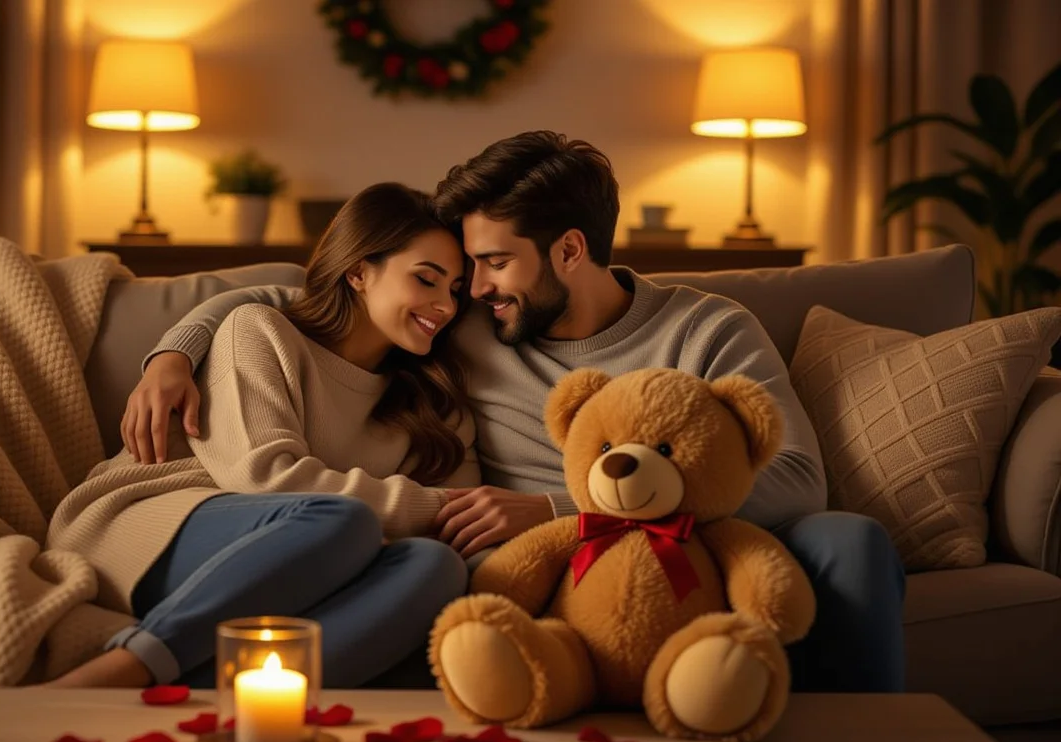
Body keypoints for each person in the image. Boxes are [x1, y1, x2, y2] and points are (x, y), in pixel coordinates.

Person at [125, 132, 907, 694]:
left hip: (680, 546)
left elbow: (801, 482)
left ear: (569, 251)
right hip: (534, 573)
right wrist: (175, 349)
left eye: (494, 264)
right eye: (466, 270)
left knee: (851, 540)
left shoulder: (708, 327)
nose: (474, 287)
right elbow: (303, 301)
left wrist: (561, 507)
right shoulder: (465, 325)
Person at [45, 182, 478, 690]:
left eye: (454, 289)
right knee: (344, 520)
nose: (444, 306)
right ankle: (127, 668)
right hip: (148, 519)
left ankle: (215, 691)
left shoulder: (436, 401)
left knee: (437, 566)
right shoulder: (260, 330)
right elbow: (266, 478)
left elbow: (462, 519)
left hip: (296, 548)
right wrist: (422, 509)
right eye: (426, 280)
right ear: (359, 271)